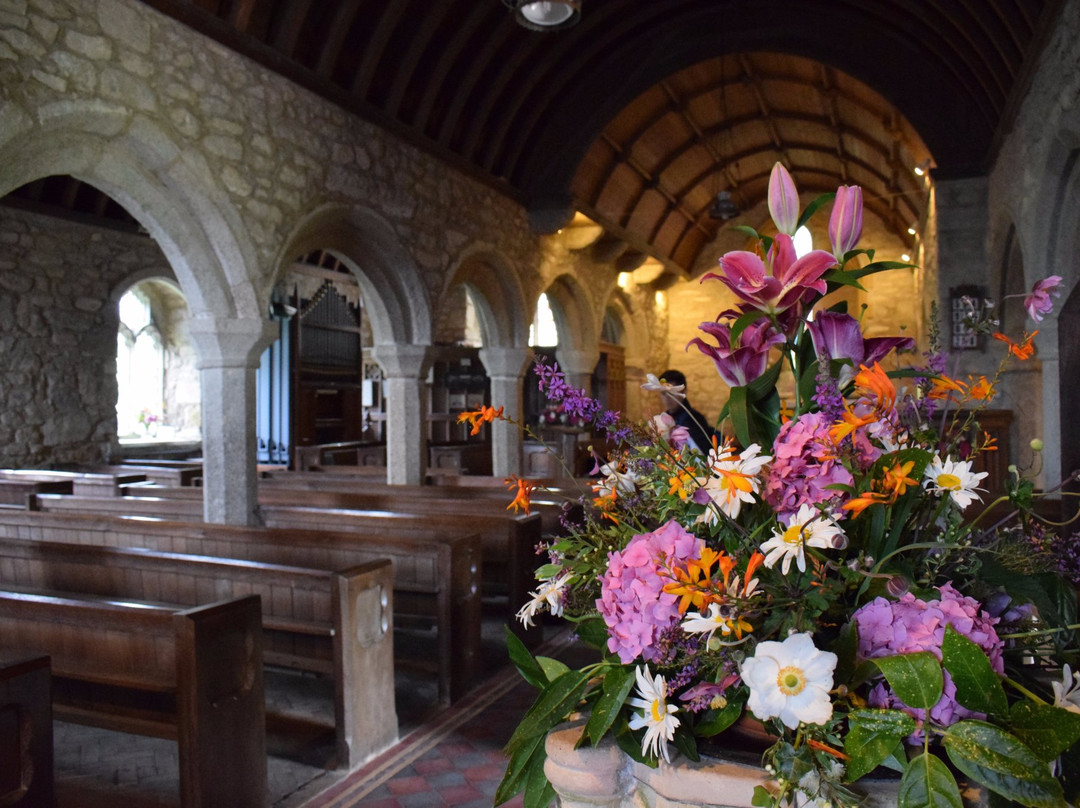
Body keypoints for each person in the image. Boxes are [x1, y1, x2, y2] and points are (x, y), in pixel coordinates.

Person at [658, 369, 718, 455]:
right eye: (663, 393)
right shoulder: (662, 420)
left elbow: (703, 456)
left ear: (684, 391)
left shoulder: (694, 420)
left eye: (671, 393)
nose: (667, 398)